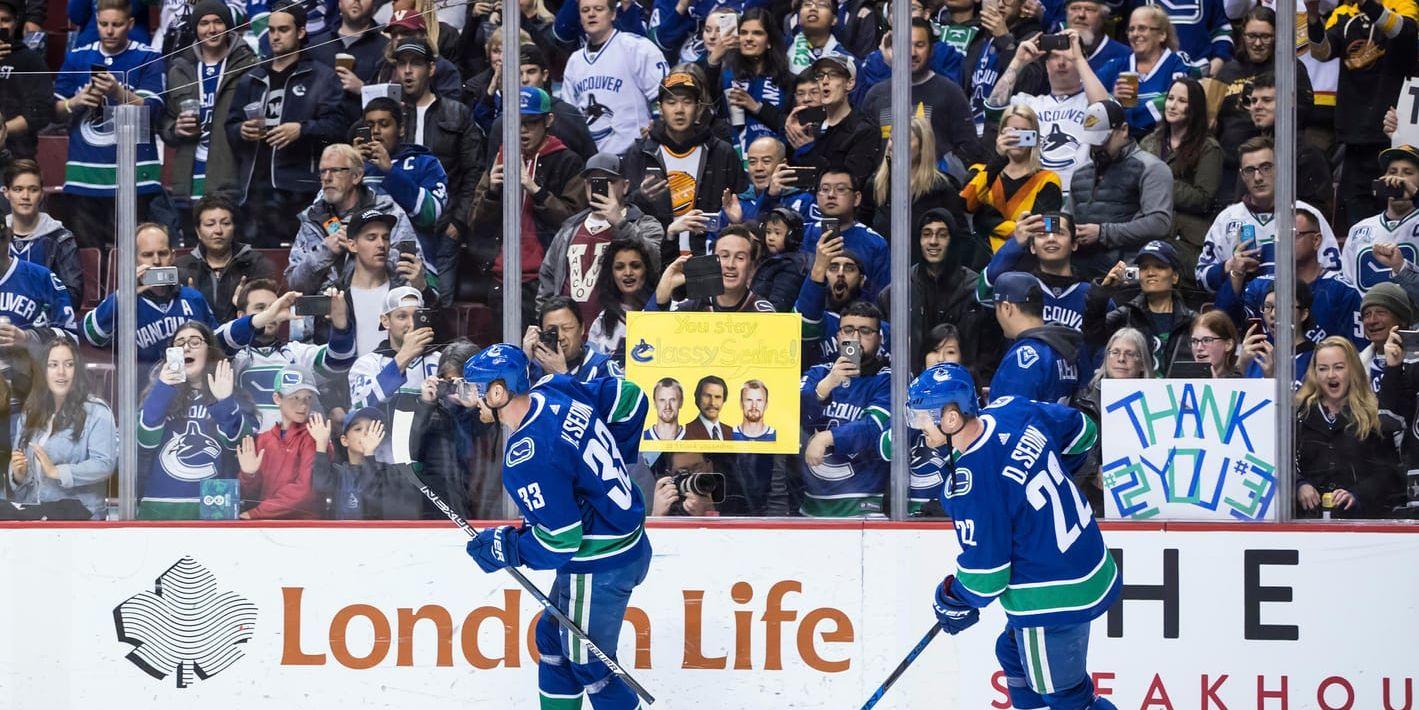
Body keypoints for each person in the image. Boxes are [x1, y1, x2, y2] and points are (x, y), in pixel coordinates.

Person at [906, 362, 1118, 710]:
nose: (920, 430)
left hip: (1051, 590)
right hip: (1087, 560)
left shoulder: (971, 483)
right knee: (1012, 651)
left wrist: (951, 598)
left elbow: (986, 578)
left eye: (923, 420)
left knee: (1068, 698)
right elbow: (1084, 431)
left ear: (950, 419)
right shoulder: (1012, 409)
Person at [460, 343, 651, 710]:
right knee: (551, 638)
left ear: (499, 392)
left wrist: (505, 547)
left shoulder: (527, 458)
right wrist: (611, 469)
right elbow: (630, 396)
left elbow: (560, 542)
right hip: (624, 543)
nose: (474, 399)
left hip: (600, 562)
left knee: (590, 664)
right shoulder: (553, 389)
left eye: (477, 389)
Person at [226, 0, 348, 248]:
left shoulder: (321, 77)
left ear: (301, 32)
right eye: (271, 30)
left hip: (301, 189)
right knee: (260, 266)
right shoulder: (252, 78)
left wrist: (302, 130)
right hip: (255, 193)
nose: (275, 36)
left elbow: (338, 127)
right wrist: (241, 130)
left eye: (283, 30)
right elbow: (230, 126)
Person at [52, 0, 165, 248]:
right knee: (88, 259)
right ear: (96, 21)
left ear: (130, 23)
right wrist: (77, 101)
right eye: (103, 24)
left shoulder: (147, 56)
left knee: (134, 255)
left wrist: (117, 92)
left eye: (117, 24)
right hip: (85, 176)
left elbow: (153, 111)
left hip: (135, 176)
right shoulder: (77, 57)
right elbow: (53, 112)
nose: (110, 31)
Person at [81, 223, 272, 369]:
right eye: (147, 255)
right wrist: (124, 295)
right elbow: (91, 335)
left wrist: (256, 320)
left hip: (189, 399)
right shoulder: (123, 301)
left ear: (172, 256)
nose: (156, 261)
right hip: (140, 400)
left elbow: (216, 345)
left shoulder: (193, 298)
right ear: (133, 259)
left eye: (162, 253)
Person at [473, 88, 589, 320]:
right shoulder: (501, 157)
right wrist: (493, 193)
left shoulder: (568, 161)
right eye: (516, 122)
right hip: (501, 276)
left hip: (545, 279)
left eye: (531, 122)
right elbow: (475, 222)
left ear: (549, 120)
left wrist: (536, 190)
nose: (523, 130)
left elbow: (574, 223)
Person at [1307, 0, 1418, 233]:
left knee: (1397, 215)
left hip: (1394, 136)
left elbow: (1403, 31)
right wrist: (1314, 15)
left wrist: (1368, 4)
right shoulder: (1344, 13)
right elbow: (1321, 52)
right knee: (1359, 223)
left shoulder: (1404, 4)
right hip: (1355, 135)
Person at [623, 67, 746, 258]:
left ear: (698, 108)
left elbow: (743, 202)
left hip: (708, 257)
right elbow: (621, 212)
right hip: (655, 257)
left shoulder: (721, 152)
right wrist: (641, 197)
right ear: (660, 108)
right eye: (671, 102)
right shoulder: (640, 153)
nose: (679, 110)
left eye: (687, 102)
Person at [136, 322, 254, 519]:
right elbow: (145, 440)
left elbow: (240, 445)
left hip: (216, 503)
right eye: (179, 342)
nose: (186, 347)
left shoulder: (231, 392)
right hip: (161, 504)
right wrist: (163, 388)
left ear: (210, 351)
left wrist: (225, 401)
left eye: (195, 341)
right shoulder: (158, 395)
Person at [1197, 137, 1340, 295]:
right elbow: (1201, 279)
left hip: (1298, 310)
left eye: (1266, 167)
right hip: (1242, 311)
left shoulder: (1307, 216)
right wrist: (1230, 266)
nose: (1258, 177)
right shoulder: (1227, 219)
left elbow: (1335, 273)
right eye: (1250, 170)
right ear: (1242, 175)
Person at [287, 145, 432, 299]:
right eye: (323, 171)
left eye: (335, 170)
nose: (327, 178)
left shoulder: (388, 211)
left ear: (356, 176)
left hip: (379, 311)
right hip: (325, 317)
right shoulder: (313, 218)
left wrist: (363, 248)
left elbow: (412, 274)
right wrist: (325, 251)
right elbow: (296, 286)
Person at [536, 152, 661, 323]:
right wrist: (544, 323)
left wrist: (619, 222)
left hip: (619, 331)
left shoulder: (644, 224)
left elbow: (653, 261)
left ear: (625, 186)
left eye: (608, 182)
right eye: (591, 182)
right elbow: (548, 281)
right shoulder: (569, 228)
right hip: (570, 336)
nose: (598, 188)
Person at [390, 37, 484, 265]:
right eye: (402, 64)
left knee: (439, 299)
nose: (408, 71)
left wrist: (458, 223)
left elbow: (474, 172)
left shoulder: (457, 113)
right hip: (393, 228)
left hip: (443, 229)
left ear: (431, 68)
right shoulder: (388, 117)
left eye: (416, 64)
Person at [982, 30, 1110, 194]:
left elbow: (1106, 112)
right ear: (1046, 64)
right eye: (1054, 57)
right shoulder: (1028, 103)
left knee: (1059, 220)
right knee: (1048, 220)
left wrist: (1078, 58)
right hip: (1035, 196)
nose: (1061, 63)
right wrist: (1018, 61)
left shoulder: (1091, 101)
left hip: (1079, 197)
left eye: (1068, 57)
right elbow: (994, 109)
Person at [159, 0, 258, 206]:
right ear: (196, 28)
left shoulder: (249, 66)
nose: (211, 29)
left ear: (228, 26)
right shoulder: (179, 69)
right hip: (187, 181)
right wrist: (174, 128)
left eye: (218, 22)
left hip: (229, 180)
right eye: (204, 23)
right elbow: (166, 120)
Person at [355, 96, 453, 304]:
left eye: (384, 124)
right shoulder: (357, 165)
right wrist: (350, 166)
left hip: (412, 265)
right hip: (358, 267)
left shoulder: (426, 163)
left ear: (400, 129)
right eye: (370, 125)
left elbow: (430, 214)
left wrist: (390, 171)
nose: (376, 132)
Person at [800, 301, 892, 516]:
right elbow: (792, 417)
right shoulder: (818, 374)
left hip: (863, 505)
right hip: (811, 507)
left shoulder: (888, 379)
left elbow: (873, 429)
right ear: (839, 336)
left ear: (879, 338)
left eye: (865, 331)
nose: (856, 338)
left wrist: (826, 438)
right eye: (848, 330)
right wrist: (827, 384)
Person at [1295, 336, 1402, 518]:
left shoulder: (1374, 414)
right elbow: (1282, 464)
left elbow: (1390, 473)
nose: (1330, 375)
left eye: (1338, 367)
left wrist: (1357, 494)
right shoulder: (1300, 413)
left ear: (1352, 370)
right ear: (1314, 373)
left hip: (1362, 521)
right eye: (1323, 368)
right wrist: (1298, 485)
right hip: (1309, 522)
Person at [1212, 7, 1313, 198]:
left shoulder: (1290, 67)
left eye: (1265, 36)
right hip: (1230, 166)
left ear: (1277, 36)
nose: (1258, 43)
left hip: (1273, 167)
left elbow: (1304, 112)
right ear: (1243, 36)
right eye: (1252, 36)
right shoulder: (1227, 71)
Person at [230, 278, 356, 432]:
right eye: (260, 308)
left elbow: (339, 361)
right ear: (241, 315)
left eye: (274, 308)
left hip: (299, 451)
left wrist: (340, 324)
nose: (270, 314)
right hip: (248, 451)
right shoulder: (231, 359)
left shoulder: (296, 354)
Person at [8, 340, 115, 519]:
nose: (61, 372)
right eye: (53, 365)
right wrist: (19, 475)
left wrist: (58, 472)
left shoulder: (97, 412)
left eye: (69, 364)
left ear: (77, 371)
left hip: (81, 521)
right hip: (36, 517)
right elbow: (21, 477)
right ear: (43, 371)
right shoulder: (31, 412)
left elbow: (105, 464)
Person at [1069, 99, 1175, 278]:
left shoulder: (1151, 168)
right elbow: (1069, 216)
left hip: (1124, 272)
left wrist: (1103, 233)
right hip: (1078, 270)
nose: (1097, 147)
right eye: (1093, 142)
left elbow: (1159, 223)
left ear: (1124, 130)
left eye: (1104, 140)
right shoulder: (1081, 174)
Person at [860, 18, 984, 169]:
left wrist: (942, 180)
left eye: (920, 45)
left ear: (931, 50)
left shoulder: (950, 92)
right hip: (886, 188)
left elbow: (969, 150)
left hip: (934, 189)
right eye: (905, 45)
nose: (912, 53)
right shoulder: (876, 94)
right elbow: (865, 153)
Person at [879, 209, 993, 371]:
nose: (933, 241)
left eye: (942, 235)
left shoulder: (974, 290)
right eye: (926, 234)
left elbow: (989, 350)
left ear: (952, 240)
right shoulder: (898, 292)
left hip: (964, 386)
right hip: (910, 386)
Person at [1138, 77, 1220, 294]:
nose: (1173, 105)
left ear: (1194, 108)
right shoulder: (1149, 142)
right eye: (1171, 98)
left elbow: (1203, 198)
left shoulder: (1208, 147)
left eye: (1182, 101)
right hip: (1150, 230)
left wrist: (1160, 181)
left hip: (1187, 241)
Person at [561, 0, 668, 153]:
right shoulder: (574, 61)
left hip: (635, 155)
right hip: (591, 161)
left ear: (613, 13)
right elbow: (569, 116)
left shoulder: (636, 47)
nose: (591, 14)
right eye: (585, 10)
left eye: (598, 9)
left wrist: (657, 126)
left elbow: (663, 95)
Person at [962, 105, 1065, 254]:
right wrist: (998, 159)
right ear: (1001, 134)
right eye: (1013, 132)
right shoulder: (978, 170)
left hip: (1026, 259)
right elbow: (966, 205)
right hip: (981, 256)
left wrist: (986, 222)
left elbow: (1047, 228)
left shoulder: (1048, 179)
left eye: (1025, 133)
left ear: (1035, 137)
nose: (1018, 138)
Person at [1087, 240, 1199, 374]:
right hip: (1134, 394)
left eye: (1159, 266)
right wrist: (1103, 291)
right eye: (1144, 267)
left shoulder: (1194, 322)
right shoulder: (1125, 316)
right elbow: (1092, 335)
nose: (1150, 273)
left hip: (1180, 393)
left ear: (1175, 277)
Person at [348, 286, 439, 439]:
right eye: (402, 316)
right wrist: (404, 356)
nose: (411, 324)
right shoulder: (366, 364)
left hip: (429, 455)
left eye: (416, 316)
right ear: (385, 321)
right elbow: (360, 412)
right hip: (380, 458)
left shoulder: (438, 361)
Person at [235, 370, 325, 519]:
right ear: (277, 398)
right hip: (267, 526)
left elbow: (305, 490)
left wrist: (257, 513)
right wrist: (248, 475)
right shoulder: (263, 440)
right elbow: (249, 495)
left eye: (308, 398)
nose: (303, 405)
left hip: (306, 527)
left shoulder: (315, 435)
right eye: (295, 397)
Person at [1096, 6, 1198, 137]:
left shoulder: (1178, 62)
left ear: (1162, 34)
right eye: (1131, 29)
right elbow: (1089, 101)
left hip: (1167, 143)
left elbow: (1178, 103)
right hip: (1124, 146)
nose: (1135, 34)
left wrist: (1127, 117)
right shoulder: (1116, 66)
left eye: (1142, 28)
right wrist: (1112, 100)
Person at [981, 212, 1090, 333]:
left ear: (1074, 244)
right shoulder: (1017, 288)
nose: (1051, 239)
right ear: (1032, 247)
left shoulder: (1091, 294)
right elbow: (986, 286)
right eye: (1042, 234)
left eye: (1059, 233)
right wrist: (1015, 243)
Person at [175, 194, 278, 323]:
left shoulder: (256, 263)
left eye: (225, 223)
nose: (218, 230)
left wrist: (243, 306)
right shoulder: (181, 267)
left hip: (245, 338)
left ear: (234, 227)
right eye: (210, 224)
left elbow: (270, 313)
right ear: (198, 231)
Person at [863, 114, 965, 243]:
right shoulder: (875, 185)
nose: (894, 145)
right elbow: (863, 233)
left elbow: (961, 236)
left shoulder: (942, 188)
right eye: (893, 139)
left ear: (923, 147)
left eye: (904, 140)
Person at [1241, 72, 1332, 216]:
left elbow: (1315, 215)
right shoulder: (1250, 152)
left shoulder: (1307, 153)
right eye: (1253, 101)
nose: (1257, 106)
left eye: (1266, 100)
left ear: (1288, 103)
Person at [989, 271, 1083, 405]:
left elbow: (1013, 417)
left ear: (1007, 308)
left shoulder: (1024, 357)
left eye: (996, 308)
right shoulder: (1064, 347)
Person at [785, 55, 882, 184]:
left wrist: (809, 151)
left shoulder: (865, 131)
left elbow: (849, 184)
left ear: (849, 83)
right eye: (820, 75)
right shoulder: (809, 129)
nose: (825, 81)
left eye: (833, 74)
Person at [797, 170, 890, 299]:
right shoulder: (801, 234)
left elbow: (881, 296)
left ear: (857, 198)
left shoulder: (875, 243)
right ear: (817, 196)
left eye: (840, 189)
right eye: (824, 189)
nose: (831, 195)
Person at [1341, 145, 1419, 295]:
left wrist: (1415, 193)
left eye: (1408, 173)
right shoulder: (1359, 229)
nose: (1397, 178)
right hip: (1368, 316)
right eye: (1392, 172)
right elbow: (1348, 285)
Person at [2, 160, 82, 301]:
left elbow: (72, 297)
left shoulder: (61, 239)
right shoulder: (1, 235)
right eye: (18, 189)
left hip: (45, 321)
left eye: (33, 189)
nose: (25, 196)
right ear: (6, 193)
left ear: (42, 193)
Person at [720, 8, 794, 153]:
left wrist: (757, 108)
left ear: (769, 42)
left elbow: (792, 125)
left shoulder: (786, 80)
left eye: (757, 33)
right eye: (743, 32)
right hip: (734, 159)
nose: (748, 38)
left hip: (774, 160)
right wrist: (714, 59)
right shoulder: (726, 75)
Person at [651, 225, 774, 312]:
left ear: (751, 266)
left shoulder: (765, 315)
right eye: (724, 256)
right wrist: (662, 295)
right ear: (712, 261)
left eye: (740, 258)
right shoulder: (693, 309)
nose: (730, 265)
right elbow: (650, 336)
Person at [587, 239, 657, 364]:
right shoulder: (601, 323)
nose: (628, 273)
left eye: (635, 266)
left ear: (646, 270)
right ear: (611, 274)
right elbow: (593, 368)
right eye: (619, 267)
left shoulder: (666, 308)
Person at [522, 296, 623, 382]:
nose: (560, 337)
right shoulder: (534, 368)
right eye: (552, 330)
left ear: (582, 328)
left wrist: (562, 375)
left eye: (567, 328)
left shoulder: (603, 368)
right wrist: (523, 359)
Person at [0, 0, 54, 161]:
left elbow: (40, 111)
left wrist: (3, 131)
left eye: (5, 20)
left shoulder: (30, 59)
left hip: (17, 155)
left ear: (16, 22)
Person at [748, 208, 808, 313]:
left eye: (777, 233)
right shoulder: (773, 260)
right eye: (768, 232)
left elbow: (778, 307)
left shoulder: (791, 266)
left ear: (792, 236)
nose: (770, 238)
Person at [1357, 283, 1412, 392]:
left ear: (1402, 320)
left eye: (1381, 313)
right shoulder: (1356, 365)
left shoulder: (1415, 361)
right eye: (1367, 314)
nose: (1372, 320)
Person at [649, 451, 721, 516]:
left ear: (709, 467)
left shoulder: (723, 494)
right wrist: (657, 514)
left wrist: (708, 512)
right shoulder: (668, 498)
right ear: (671, 474)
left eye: (697, 468)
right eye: (683, 471)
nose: (691, 476)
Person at [1188, 309, 1241, 378]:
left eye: (1207, 340)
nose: (1199, 348)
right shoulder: (1179, 381)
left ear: (1228, 345)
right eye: (1194, 341)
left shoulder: (1241, 384)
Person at [683, 375, 733, 441]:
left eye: (717, 397)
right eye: (707, 396)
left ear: (724, 400)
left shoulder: (732, 433)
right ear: (698, 398)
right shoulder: (685, 432)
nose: (712, 403)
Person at [643, 377, 685, 441]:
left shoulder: (693, 438)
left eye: (673, 400)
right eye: (662, 400)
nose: (667, 406)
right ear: (654, 403)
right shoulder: (641, 439)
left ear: (681, 402)